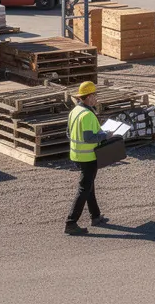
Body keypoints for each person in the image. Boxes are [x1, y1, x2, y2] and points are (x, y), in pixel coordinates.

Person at [65, 81, 109, 235]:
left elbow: (68, 134)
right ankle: (71, 222)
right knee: (84, 188)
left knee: (89, 185)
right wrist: (106, 135)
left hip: (76, 155)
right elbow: (90, 138)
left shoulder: (75, 111)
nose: (96, 98)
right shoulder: (88, 115)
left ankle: (95, 216)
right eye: (95, 95)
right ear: (89, 97)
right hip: (88, 157)